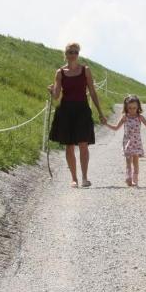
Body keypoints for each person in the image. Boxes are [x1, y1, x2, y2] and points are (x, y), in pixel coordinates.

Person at [48, 42, 106, 187]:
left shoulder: (85, 70)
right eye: (70, 52)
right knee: (69, 146)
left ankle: (85, 177)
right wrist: (51, 90)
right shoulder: (60, 72)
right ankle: (74, 178)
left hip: (82, 110)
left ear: (78, 54)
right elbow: (56, 96)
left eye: (76, 52)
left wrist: (100, 112)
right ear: (66, 54)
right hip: (66, 111)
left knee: (83, 144)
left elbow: (92, 91)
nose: (73, 54)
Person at [104, 95, 146, 187]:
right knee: (128, 162)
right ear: (126, 107)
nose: (132, 110)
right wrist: (106, 124)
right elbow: (116, 128)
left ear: (138, 107)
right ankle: (128, 177)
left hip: (137, 143)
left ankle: (135, 179)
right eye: (130, 108)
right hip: (127, 143)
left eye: (134, 108)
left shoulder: (140, 117)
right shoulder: (125, 117)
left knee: (135, 162)